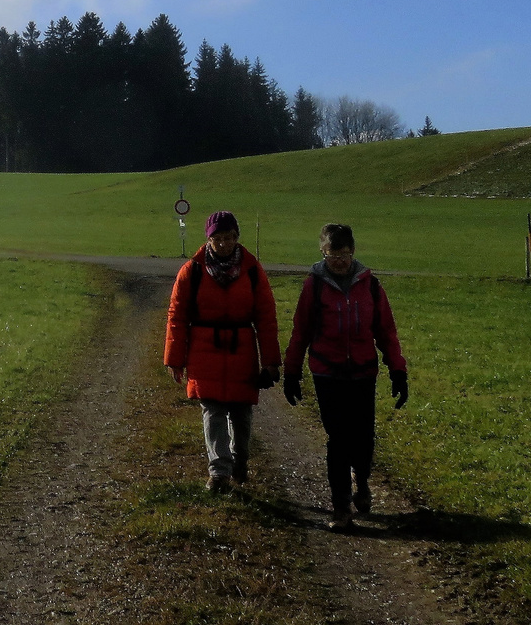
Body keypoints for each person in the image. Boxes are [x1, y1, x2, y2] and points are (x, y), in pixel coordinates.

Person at [282, 223, 408, 532]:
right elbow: (301, 332)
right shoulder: (314, 286)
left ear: (354, 252)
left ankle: (361, 480)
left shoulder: (371, 286)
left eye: (345, 254)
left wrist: (398, 371)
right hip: (327, 372)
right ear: (322, 253)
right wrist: (292, 373)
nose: (340, 260)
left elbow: (386, 332)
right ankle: (341, 507)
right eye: (333, 254)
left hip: (363, 372)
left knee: (363, 437)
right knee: (338, 439)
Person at [163, 210, 280, 493]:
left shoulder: (252, 270)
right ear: (208, 239)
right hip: (204, 350)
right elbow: (177, 316)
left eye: (229, 238)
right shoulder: (192, 271)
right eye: (218, 239)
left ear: (237, 238)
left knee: (241, 412)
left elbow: (266, 316)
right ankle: (219, 473)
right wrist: (175, 360)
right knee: (213, 410)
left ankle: (240, 461)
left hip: (242, 348)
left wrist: (271, 362)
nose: (224, 244)